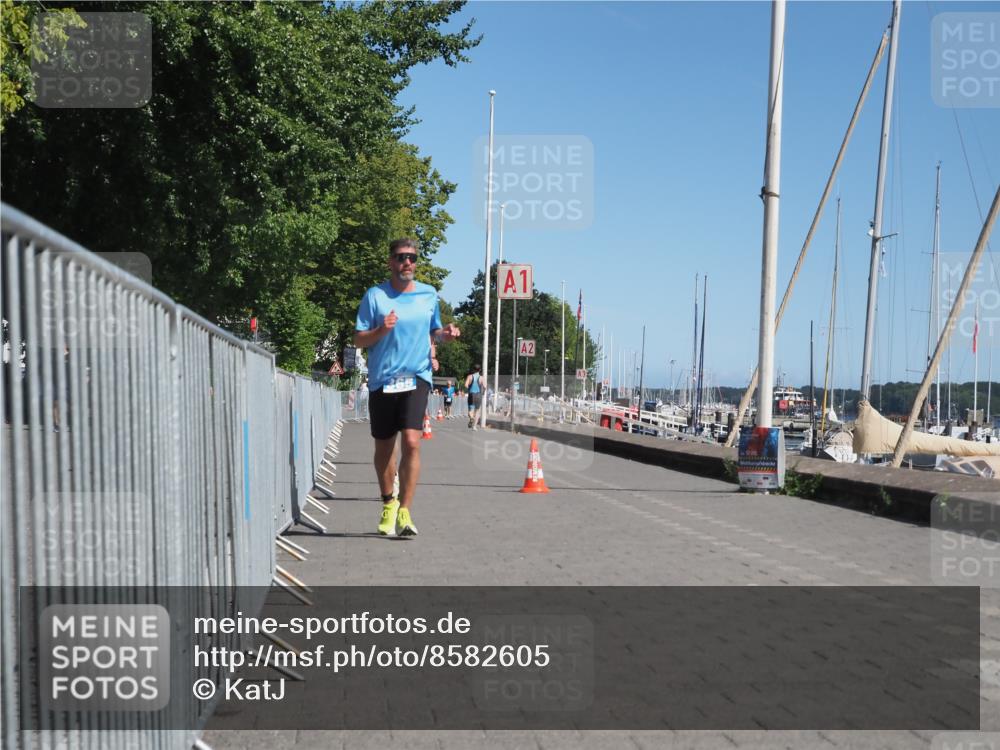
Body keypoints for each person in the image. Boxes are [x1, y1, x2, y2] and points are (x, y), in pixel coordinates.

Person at [353, 238, 460, 537]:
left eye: (412, 258)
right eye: (401, 257)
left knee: (412, 441)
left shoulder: (428, 294)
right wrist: (381, 329)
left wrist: (446, 335)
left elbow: (434, 331)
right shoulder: (375, 296)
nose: (407, 263)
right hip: (383, 379)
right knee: (385, 446)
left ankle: (405, 511)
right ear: (390, 261)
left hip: (417, 377)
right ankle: (388, 502)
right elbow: (358, 339)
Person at [465, 364, 485, 429]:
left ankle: (471, 418)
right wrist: (483, 393)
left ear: (473, 369)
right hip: (478, 394)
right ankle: (474, 426)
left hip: (471, 394)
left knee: (470, 410)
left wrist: (468, 389)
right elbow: (485, 386)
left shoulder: (470, 376)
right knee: (477, 411)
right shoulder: (482, 378)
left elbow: (466, 385)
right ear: (480, 370)